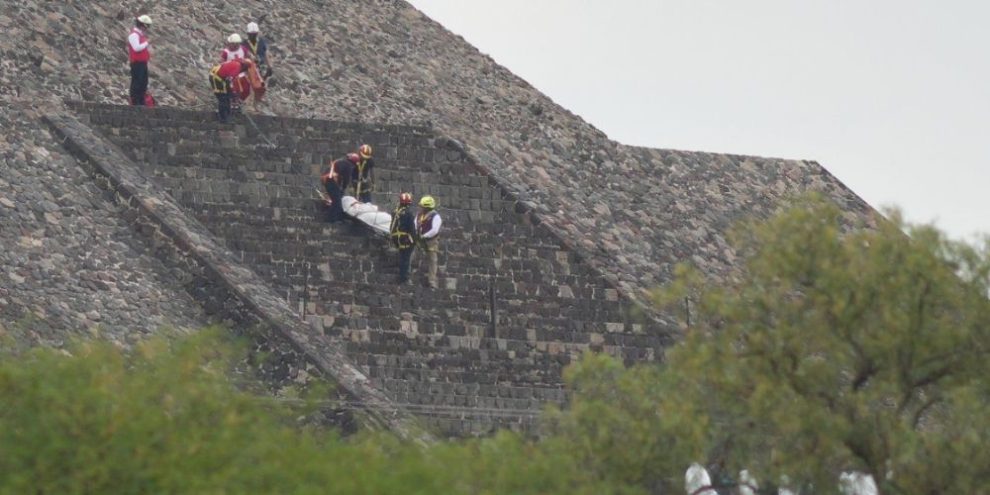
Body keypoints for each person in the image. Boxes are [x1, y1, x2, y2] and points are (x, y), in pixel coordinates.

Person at [321, 153, 358, 222]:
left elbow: (339, 176)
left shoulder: (341, 161)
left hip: (327, 179)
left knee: (336, 200)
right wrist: (343, 188)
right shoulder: (349, 166)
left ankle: (336, 218)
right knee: (337, 202)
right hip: (331, 180)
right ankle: (330, 220)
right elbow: (346, 179)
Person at [389, 193, 416, 285]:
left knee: (402, 256)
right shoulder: (408, 214)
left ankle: (402, 276)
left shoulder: (395, 212)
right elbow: (411, 228)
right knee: (406, 258)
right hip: (406, 239)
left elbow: (392, 226)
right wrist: (414, 240)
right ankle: (404, 277)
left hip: (397, 238)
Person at [416, 195, 442, 288]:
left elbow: (435, 230)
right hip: (419, 239)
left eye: (422, 206)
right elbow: (415, 224)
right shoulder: (419, 215)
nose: (420, 207)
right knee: (414, 256)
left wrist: (424, 236)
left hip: (431, 241)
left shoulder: (436, 217)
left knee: (432, 260)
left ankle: (432, 281)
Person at [127, 15, 152, 106]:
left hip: (142, 62)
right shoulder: (133, 35)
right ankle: (135, 101)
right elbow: (136, 48)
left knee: (143, 82)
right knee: (137, 82)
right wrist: (146, 43)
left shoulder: (140, 35)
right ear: (142, 25)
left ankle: (141, 101)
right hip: (137, 62)